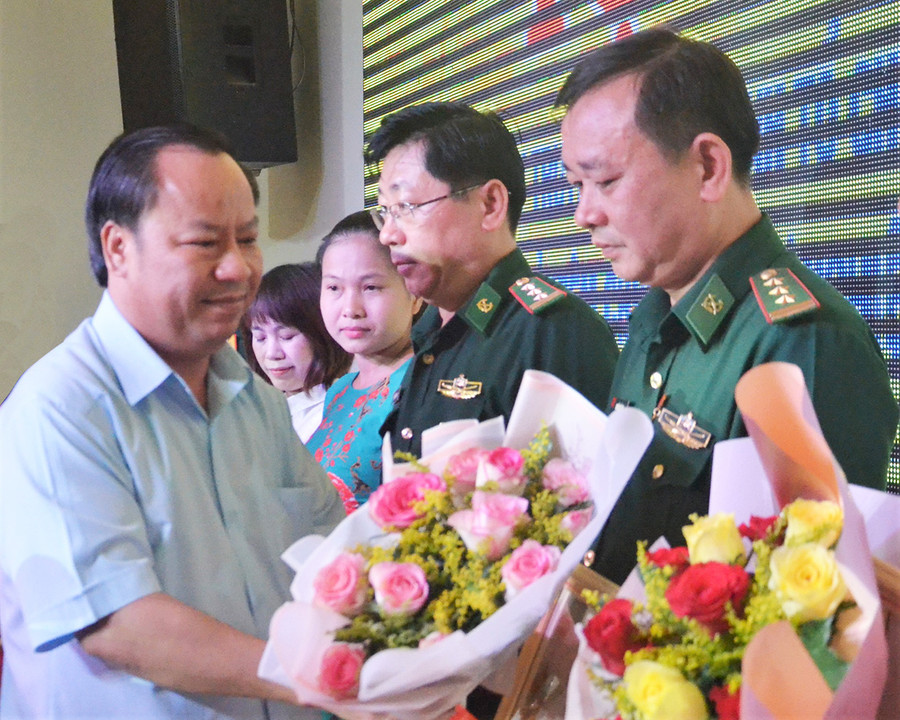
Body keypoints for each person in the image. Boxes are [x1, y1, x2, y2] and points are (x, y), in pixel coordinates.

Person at [0, 123, 345, 719]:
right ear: (118, 249)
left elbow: (328, 548)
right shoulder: (58, 409)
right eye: (205, 243)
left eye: (248, 238)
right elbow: (117, 625)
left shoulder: (255, 401)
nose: (238, 268)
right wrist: (323, 677)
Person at [556, 27, 899, 584]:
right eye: (576, 186)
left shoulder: (801, 341)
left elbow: (809, 612)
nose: (583, 214)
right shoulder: (654, 315)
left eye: (605, 181)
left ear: (709, 167)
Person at [366, 102, 620, 458]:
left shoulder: (553, 332)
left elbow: (579, 499)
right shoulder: (429, 329)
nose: (388, 235)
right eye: (385, 212)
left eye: (405, 207)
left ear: (490, 204)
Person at [307, 211, 421, 513]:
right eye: (333, 288)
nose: (350, 309)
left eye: (370, 287)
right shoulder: (340, 390)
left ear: (415, 294)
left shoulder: (420, 384)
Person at [245, 262, 353, 443]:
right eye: (260, 338)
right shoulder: (264, 414)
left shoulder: (339, 413)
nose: (272, 354)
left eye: (286, 336)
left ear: (323, 334)